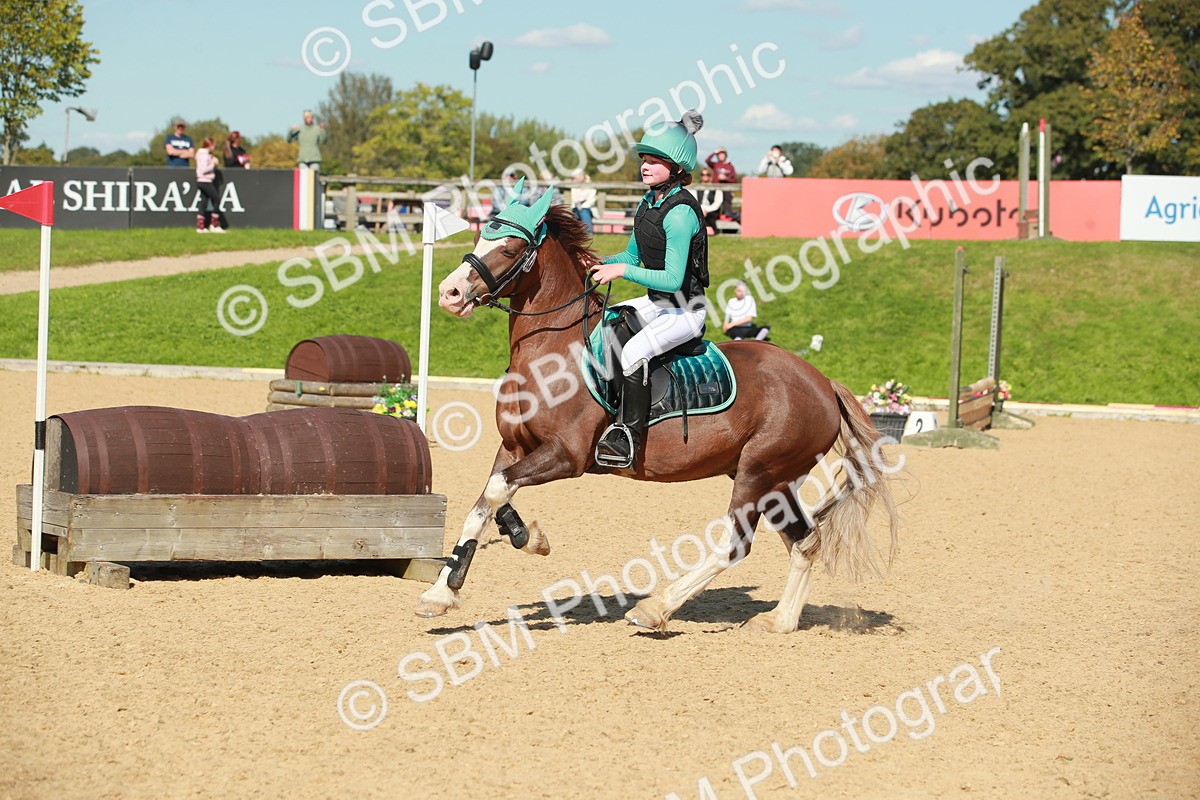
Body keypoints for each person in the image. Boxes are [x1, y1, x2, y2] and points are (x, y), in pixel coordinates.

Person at [588, 110, 709, 468]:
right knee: (608, 324)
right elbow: (630, 255)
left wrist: (623, 271)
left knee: (632, 351)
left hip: (686, 309)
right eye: (644, 158)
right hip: (659, 303)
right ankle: (609, 411)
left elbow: (672, 279)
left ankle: (629, 436)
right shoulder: (648, 202)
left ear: (676, 168)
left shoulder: (681, 213)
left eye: (655, 160)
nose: (645, 165)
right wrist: (595, 261)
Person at [194, 137, 224, 233]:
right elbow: (203, 170)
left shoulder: (204, 155)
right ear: (210, 145)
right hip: (204, 180)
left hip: (203, 180)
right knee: (216, 199)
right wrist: (213, 164)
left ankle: (200, 227)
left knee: (204, 202)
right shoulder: (204, 155)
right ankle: (214, 225)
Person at [704, 147, 738, 221]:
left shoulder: (730, 167)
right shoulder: (716, 165)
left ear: (725, 155)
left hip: (726, 192)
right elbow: (707, 160)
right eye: (719, 154)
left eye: (722, 154)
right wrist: (715, 152)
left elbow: (735, 179)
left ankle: (726, 224)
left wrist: (725, 178)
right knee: (713, 208)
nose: (721, 156)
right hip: (715, 190)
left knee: (726, 210)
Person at [689, 166, 723, 235]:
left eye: (707, 174)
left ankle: (712, 230)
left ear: (711, 176)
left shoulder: (716, 188)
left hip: (711, 211)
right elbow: (694, 200)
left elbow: (717, 203)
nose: (705, 176)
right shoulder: (696, 187)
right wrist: (701, 209)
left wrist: (706, 210)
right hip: (699, 209)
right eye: (703, 174)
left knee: (710, 217)